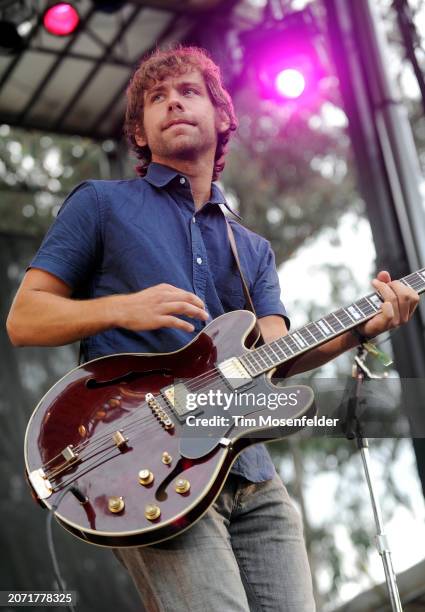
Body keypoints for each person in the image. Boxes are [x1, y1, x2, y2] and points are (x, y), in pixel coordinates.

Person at [6, 46, 419, 611]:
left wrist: (362, 328)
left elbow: (278, 354)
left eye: (188, 91)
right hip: (148, 466)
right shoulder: (101, 205)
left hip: (252, 474)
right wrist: (123, 309)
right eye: (157, 98)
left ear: (224, 117)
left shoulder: (251, 248)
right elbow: (25, 318)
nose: (173, 101)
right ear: (141, 133)